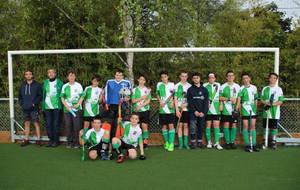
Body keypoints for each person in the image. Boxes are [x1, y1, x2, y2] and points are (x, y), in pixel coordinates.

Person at [104, 69, 131, 138]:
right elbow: (106, 92)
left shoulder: (127, 82)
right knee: (110, 123)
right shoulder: (109, 82)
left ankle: (117, 140)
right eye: (117, 75)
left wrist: (126, 99)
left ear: (122, 76)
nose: (118, 76)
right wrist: (106, 103)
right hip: (111, 105)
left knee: (119, 123)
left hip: (122, 105)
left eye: (120, 75)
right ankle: (109, 140)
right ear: (115, 75)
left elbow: (130, 93)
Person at [261, 72, 284, 150]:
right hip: (266, 111)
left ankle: (273, 141)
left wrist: (272, 104)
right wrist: (266, 103)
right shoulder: (265, 88)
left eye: (274, 78)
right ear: (269, 78)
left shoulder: (279, 89)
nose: (272, 79)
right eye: (271, 77)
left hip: (275, 111)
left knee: (274, 127)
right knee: (265, 127)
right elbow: (262, 99)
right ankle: (265, 141)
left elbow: (281, 101)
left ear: (276, 79)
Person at [19, 70, 42, 147]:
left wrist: (34, 103)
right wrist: (22, 104)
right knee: (26, 124)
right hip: (25, 108)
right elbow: (20, 97)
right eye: (26, 74)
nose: (28, 75)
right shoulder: (22, 85)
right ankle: (26, 139)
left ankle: (38, 140)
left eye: (30, 74)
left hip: (34, 108)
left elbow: (40, 96)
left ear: (32, 75)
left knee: (36, 123)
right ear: (25, 76)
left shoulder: (37, 85)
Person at [61, 70, 84, 148]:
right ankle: (69, 142)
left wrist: (78, 104)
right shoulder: (65, 86)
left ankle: (76, 143)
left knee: (76, 126)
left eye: (73, 75)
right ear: (67, 77)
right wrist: (66, 106)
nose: (71, 77)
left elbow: (82, 96)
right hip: (67, 110)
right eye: (70, 75)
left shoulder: (78, 85)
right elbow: (62, 97)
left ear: (75, 77)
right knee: (68, 126)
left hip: (76, 109)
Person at [236, 73, 259, 152]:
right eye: (244, 78)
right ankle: (247, 145)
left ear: (249, 79)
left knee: (253, 126)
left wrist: (255, 108)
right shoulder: (241, 88)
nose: (245, 80)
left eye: (247, 78)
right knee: (245, 126)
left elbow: (256, 99)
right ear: (242, 80)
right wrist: (239, 109)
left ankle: (254, 144)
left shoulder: (254, 87)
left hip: (252, 109)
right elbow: (239, 100)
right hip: (244, 109)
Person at [42, 68, 63, 147]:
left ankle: (56, 141)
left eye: (52, 72)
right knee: (48, 124)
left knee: (56, 124)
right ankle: (51, 140)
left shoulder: (59, 82)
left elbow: (62, 94)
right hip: (47, 107)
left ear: (55, 73)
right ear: (47, 74)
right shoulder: (45, 82)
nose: (50, 74)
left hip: (56, 107)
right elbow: (43, 94)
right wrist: (43, 106)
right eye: (49, 72)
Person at [187, 72, 209, 149]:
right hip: (193, 113)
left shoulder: (205, 89)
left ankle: (199, 142)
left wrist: (203, 112)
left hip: (202, 113)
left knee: (201, 127)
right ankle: (193, 143)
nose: (196, 79)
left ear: (200, 78)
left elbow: (206, 102)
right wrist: (194, 111)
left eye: (197, 78)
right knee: (193, 127)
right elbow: (189, 102)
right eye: (194, 78)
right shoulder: (190, 90)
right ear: (192, 79)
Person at [220, 70, 240, 149]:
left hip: (234, 109)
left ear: (234, 77)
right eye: (229, 76)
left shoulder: (237, 86)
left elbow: (239, 98)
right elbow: (220, 97)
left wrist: (237, 107)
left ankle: (232, 142)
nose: (230, 77)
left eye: (232, 75)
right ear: (226, 77)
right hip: (225, 109)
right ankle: (227, 142)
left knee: (234, 125)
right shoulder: (223, 86)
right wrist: (228, 98)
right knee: (226, 125)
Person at [156, 71, 176, 151]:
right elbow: (157, 94)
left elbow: (173, 95)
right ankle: (167, 142)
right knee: (164, 126)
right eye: (162, 77)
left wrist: (171, 102)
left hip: (170, 109)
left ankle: (171, 144)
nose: (163, 78)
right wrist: (160, 101)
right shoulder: (159, 84)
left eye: (165, 76)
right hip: (162, 109)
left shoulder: (172, 84)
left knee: (171, 126)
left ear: (167, 77)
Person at [203, 73, 223, 150]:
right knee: (208, 125)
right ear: (208, 78)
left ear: (215, 78)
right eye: (210, 78)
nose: (211, 79)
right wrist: (206, 103)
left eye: (213, 77)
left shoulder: (218, 85)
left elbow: (220, 96)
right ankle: (209, 142)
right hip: (208, 109)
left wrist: (221, 104)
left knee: (216, 125)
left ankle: (217, 143)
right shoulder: (205, 85)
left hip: (216, 108)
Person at [131, 74, 151, 147]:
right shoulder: (134, 90)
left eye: (143, 80)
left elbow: (148, 100)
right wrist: (142, 97)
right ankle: (135, 142)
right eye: (140, 79)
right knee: (136, 126)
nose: (142, 81)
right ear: (138, 80)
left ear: (145, 81)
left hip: (145, 110)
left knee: (144, 126)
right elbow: (133, 101)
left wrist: (140, 106)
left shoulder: (147, 90)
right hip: (136, 111)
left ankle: (145, 142)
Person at [174, 71, 191, 149]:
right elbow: (175, 98)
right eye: (182, 76)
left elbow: (191, 99)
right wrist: (177, 110)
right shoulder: (176, 86)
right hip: (179, 109)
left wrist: (186, 104)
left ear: (187, 77)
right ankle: (180, 143)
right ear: (180, 77)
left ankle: (185, 143)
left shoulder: (190, 86)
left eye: (185, 76)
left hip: (187, 109)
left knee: (186, 126)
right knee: (180, 125)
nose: (184, 78)